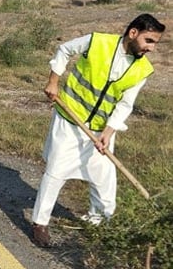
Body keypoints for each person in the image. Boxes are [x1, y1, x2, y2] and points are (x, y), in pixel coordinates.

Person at [31, 14, 166, 248]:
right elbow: (64, 49)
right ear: (133, 33)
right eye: (149, 41)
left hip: (100, 129)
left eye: (154, 42)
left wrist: (109, 131)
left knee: (104, 178)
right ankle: (40, 223)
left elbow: (125, 103)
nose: (151, 48)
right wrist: (53, 81)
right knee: (56, 172)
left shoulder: (143, 69)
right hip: (70, 121)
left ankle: (100, 223)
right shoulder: (97, 42)